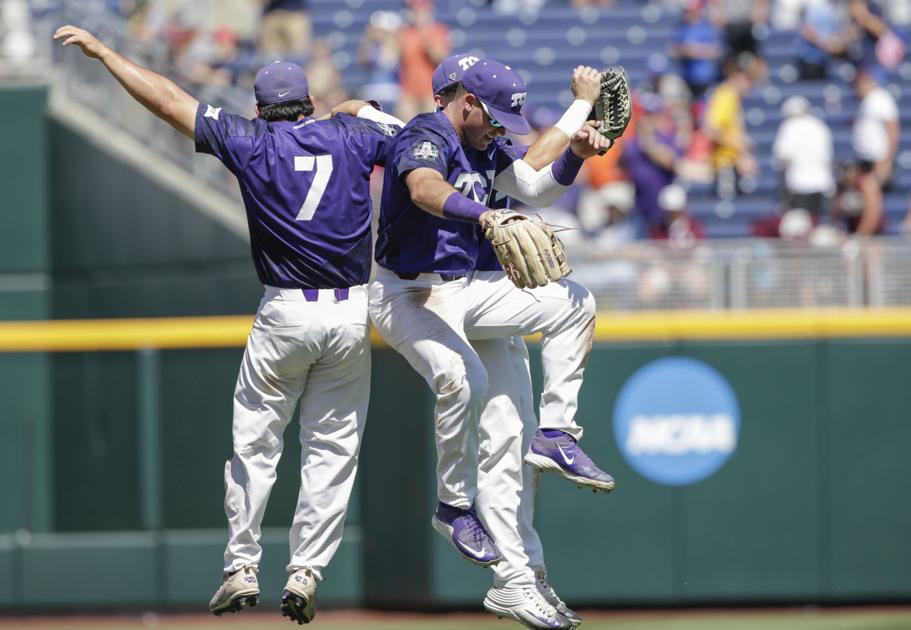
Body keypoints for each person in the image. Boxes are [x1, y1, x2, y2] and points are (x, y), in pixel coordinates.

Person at [53, 25, 398, 625]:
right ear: (311, 104)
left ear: (261, 109)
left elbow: (167, 99)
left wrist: (107, 53)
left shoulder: (251, 140)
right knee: (332, 450)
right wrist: (356, 108)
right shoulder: (351, 134)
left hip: (285, 311)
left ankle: (241, 564)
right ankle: (306, 571)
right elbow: (405, 136)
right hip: (350, 311)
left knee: (254, 445)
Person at [360, 55, 612, 628]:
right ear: (465, 101)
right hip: (409, 295)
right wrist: (485, 218)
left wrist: (575, 149)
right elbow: (424, 188)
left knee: (569, 312)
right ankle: (453, 507)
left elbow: (532, 183)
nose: (500, 127)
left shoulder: (486, 143)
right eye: (493, 115)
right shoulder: (425, 133)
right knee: (463, 381)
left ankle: (522, 571)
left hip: (470, 292)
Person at [772, 95, 835, 217]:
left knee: (800, 227)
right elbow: (829, 159)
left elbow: (782, 158)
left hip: (798, 185)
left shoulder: (789, 126)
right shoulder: (820, 126)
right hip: (822, 184)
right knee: (819, 224)